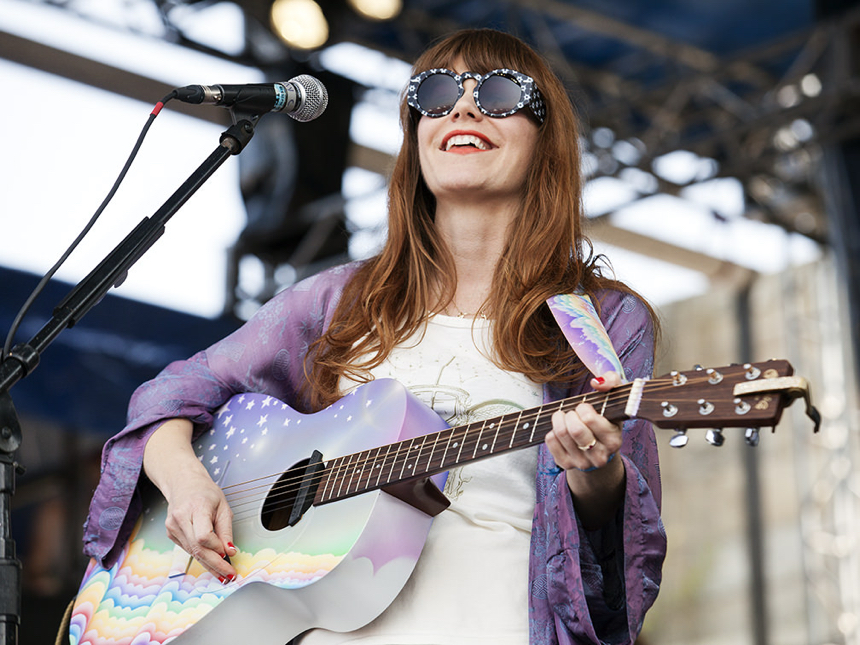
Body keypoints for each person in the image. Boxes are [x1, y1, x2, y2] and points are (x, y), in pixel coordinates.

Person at [81, 28, 665, 645]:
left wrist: (596, 474)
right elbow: (174, 393)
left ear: (544, 139)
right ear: (415, 138)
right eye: (434, 93)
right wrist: (186, 480)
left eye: (498, 92)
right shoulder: (340, 300)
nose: (462, 108)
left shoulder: (599, 321)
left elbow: (625, 553)